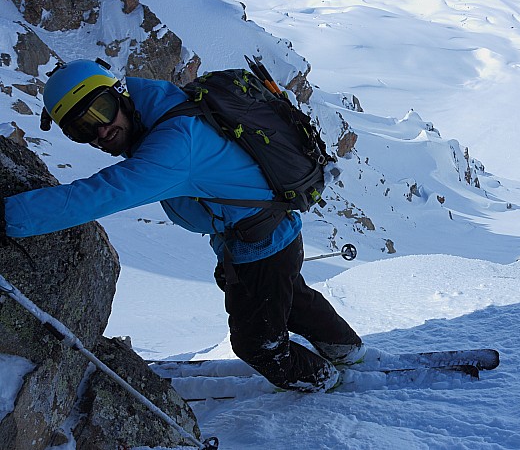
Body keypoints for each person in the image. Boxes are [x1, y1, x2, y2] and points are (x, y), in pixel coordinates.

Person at [0, 58, 364, 392]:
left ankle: (326, 384)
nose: (101, 129)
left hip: (260, 245)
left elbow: (100, 195)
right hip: (268, 235)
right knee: (290, 298)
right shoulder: (158, 102)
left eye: (101, 109)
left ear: (120, 94)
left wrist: (6, 216)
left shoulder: (174, 144)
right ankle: (348, 350)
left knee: (258, 345)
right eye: (81, 129)